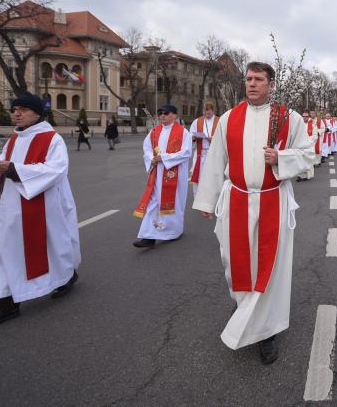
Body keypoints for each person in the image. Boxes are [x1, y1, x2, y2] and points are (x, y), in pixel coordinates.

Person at [192, 62, 313, 365]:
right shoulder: (229, 119)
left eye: (259, 79)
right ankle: (244, 306)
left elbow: (309, 153)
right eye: (248, 79)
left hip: (273, 199)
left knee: (268, 266)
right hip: (237, 199)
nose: (252, 84)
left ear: (271, 84)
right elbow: (215, 159)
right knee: (235, 262)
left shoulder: (288, 117)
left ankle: (265, 332)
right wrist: (206, 200)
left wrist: (280, 157)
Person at [0, 93, 80, 332]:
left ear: (38, 113)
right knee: (5, 249)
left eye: (23, 109)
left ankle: (67, 276)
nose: (16, 113)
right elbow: (3, 163)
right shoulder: (13, 140)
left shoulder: (52, 139)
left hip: (44, 205)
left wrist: (13, 169)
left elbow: (56, 170)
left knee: (52, 245)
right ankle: (5, 304)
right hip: (11, 206)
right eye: (14, 109)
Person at [132, 104, 192, 247]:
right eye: (160, 113)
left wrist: (164, 158)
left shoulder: (183, 132)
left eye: (166, 113)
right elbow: (146, 148)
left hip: (174, 175)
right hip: (156, 174)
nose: (162, 116)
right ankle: (149, 236)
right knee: (153, 204)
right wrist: (151, 158)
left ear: (174, 115)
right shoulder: (154, 131)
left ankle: (174, 231)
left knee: (173, 204)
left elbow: (187, 152)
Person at [189, 101, 220, 196]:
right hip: (200, 154)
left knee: (212, 179)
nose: (207, 113)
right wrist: (194, 137)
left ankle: (212, 199)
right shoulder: (197, 121)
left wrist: (213, 139)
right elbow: (190, 136)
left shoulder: (219, 121)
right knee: (199, 178)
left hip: (214, 155)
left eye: (209, 111)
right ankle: (198, 198)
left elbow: (224, 137)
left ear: (213, 111)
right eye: (205, 111)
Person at [298, 111, 318, 181]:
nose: (305, 118)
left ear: (308, 117)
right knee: (300, 161)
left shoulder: (312, 126)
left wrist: (307, 140)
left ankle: (307, 175)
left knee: (307, 161)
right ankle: (300, 175)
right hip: (300, 146)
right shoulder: (298, 126)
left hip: (308, 146)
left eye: (306, 116)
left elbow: (315, 136)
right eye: (303, 116)